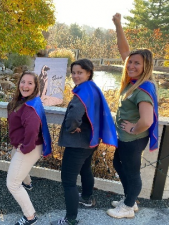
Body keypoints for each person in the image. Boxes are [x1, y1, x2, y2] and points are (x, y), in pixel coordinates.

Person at [51, 59, 118, 225]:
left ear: (89, 73)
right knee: (86, 169)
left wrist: (72, 127)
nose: (75, 76)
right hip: (91, 140)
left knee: (68, 181)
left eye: (79, 72)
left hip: (77, 144)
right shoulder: (93, 87)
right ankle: (87, 198)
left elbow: (74, 115)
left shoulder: (82, 92)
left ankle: (70, 219)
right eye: (73, 72)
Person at [106, 13, 158, 219]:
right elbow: (125, 51)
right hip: (127, 138)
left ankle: (128, 207)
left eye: (136, 63)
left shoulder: (143, 88)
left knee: (132, 171)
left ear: (146, 66)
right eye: (130, 63)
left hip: (133, 139)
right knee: (118, 164)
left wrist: (133, 129)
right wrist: (118, 25)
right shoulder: (134, 82)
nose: (131, 66)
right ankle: (130, 199)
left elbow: (147, 120)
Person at [6, 71, 52, 225]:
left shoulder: (30, 107)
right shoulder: (25, 101)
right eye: (23, 82)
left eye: (30, 83)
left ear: (35, 86)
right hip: (24, 145)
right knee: (16, 170)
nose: (25, 86)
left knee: (12, 184)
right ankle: (27, 183)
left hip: (29, 148)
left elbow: (32, 132)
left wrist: (24, 148)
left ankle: (30, 216)